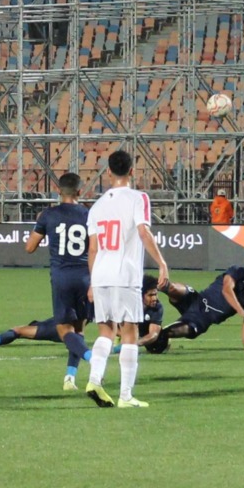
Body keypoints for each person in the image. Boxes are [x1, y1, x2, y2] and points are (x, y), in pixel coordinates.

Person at [0, 275, 163, 388]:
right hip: (66, 324)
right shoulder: (103, 300)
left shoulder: (91, 297)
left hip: (63, 324)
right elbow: (117, 332)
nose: (154, 298)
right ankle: (71, 377)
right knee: (74, 336)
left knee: (28, 331)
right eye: (151, 294)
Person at [85, 150, 169, 408]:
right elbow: (143, 231)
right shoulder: (138, 198)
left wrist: (91, 281)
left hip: (100, 274)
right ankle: (125, 395)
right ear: (132, 171)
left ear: (108, 172)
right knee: (129, 333)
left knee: (106, 330)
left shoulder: (97, 206)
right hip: (125, 274)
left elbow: (93, 248)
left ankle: (94, 379)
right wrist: (162, 263)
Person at [23, 172, 93, 391]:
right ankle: (69, 378)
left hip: (61, 276)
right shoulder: (89, 214)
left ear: (57, 190)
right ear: (80, 191)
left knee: (64, 331)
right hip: (85, 276)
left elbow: (30, 247)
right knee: (79, 329)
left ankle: (94, 358)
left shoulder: (48, 215)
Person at [148, 258, 244, 355]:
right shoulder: (237, 271)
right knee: (170, 287)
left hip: (203, 319)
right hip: (196, 299)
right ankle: (144, 285)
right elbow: (226, 289)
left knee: (162, 336)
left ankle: (157, 338)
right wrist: (240, 310)